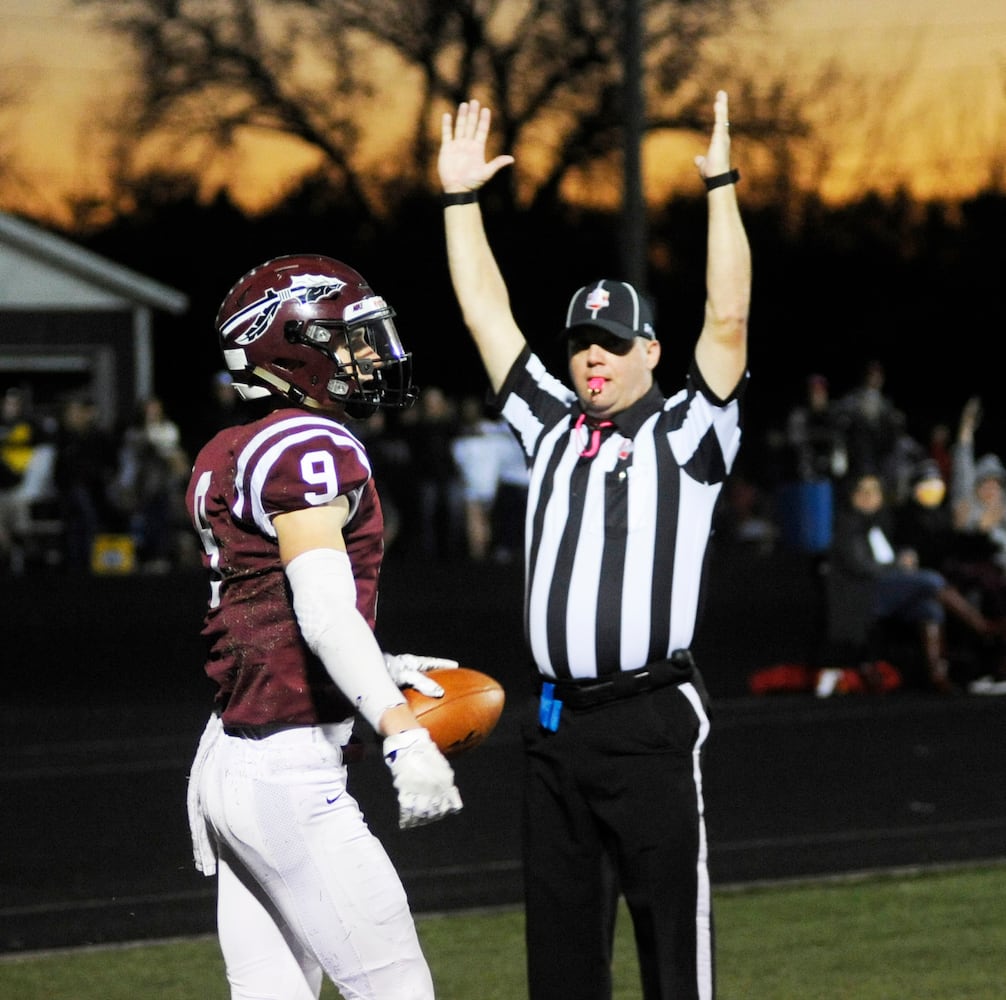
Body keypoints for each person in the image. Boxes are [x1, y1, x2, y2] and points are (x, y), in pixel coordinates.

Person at [438, 92, 750, 1000]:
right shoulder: (548, 424)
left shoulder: (691, 432)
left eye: (612, 344)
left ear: (651, 350)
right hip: (556, 725)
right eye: (580, 345)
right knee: (562, 966)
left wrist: (722, 186)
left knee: (671, 961)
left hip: (650, 722)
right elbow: (487, 316)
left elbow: (726, 318)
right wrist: (461, 203)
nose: (591, 359)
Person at [184, 254, 464, 1000]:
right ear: (295, 346)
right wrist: (401, 730)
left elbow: (263, 614)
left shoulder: (226, 449)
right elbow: (320, 611)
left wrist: (375, 660)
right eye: (349, 338)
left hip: (231, 757)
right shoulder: (312, 445)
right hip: (290, 775)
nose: (370, 354)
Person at [825, 471, 995, 694]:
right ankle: (982, 626)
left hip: (887, 587)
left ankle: (938, 676)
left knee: (928, 606)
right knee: (930, 580)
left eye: (874, 491)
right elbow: (863, 567)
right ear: (851, 495)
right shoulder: (846, 525)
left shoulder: (882, 520)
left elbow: (887, 553)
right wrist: (899, 566)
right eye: (863, 491)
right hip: (863, 594)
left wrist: (903, 557)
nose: (869, 497)